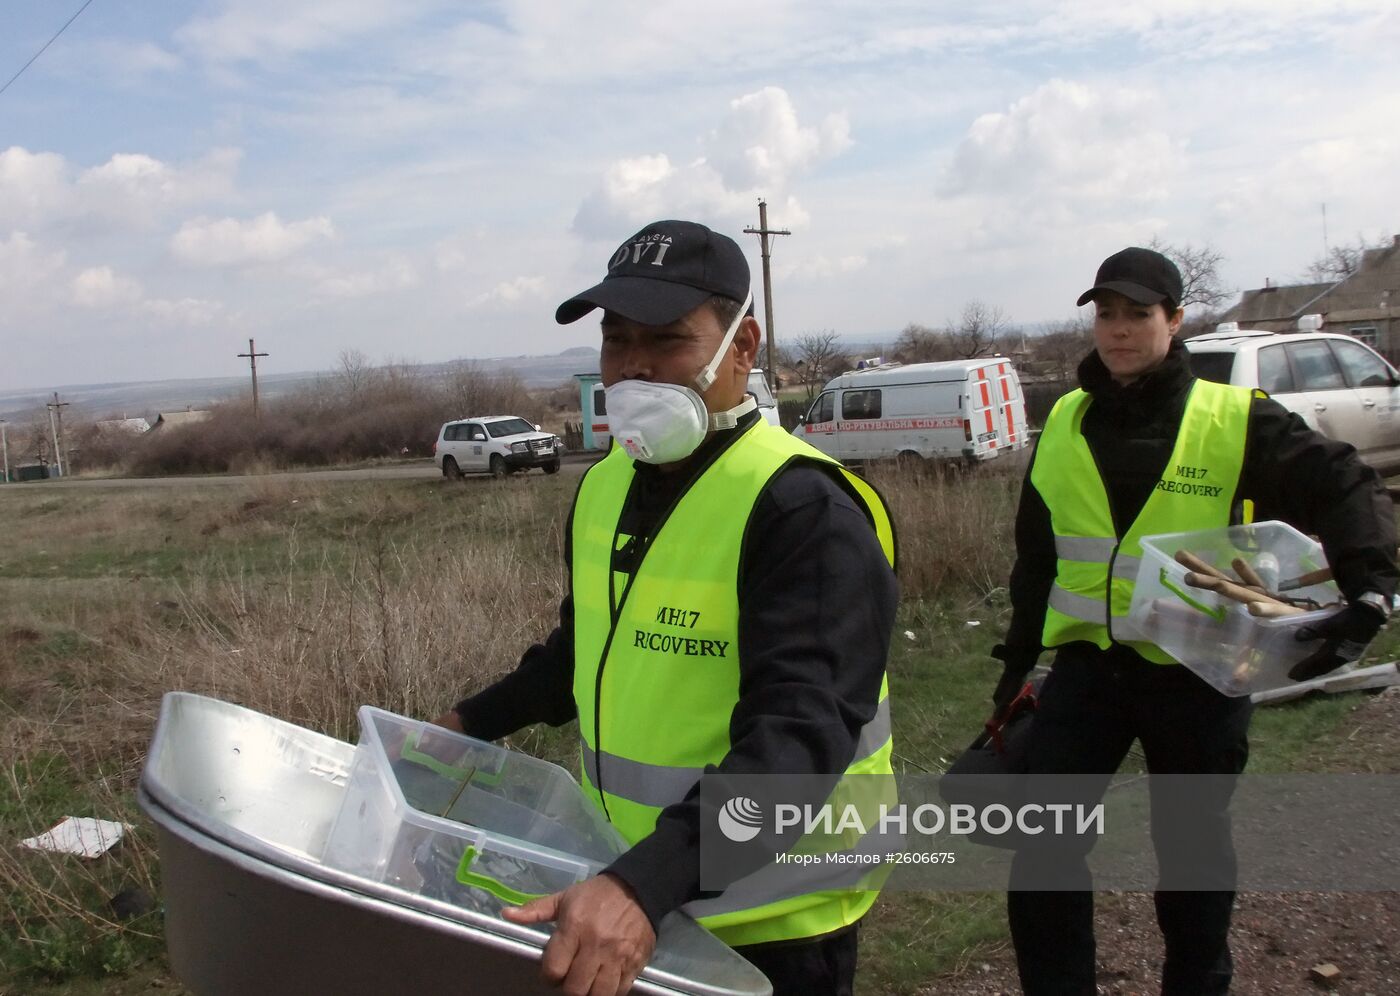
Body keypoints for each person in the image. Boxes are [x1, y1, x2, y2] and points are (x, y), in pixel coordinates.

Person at [434, 219, 898, 996]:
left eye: (667, 341)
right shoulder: (607, 485)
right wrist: (460, 726)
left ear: (741, 347)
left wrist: (643, 885)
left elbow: (799, 737)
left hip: (767, 924)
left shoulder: (804, 509)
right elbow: (586, 648)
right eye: (617, 342)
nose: (634, 367)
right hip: (634, 898)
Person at [991, 246, 1397, 996]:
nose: (1118, 330)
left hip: (1201, 671)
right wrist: (1016, 671)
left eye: (1138, 314)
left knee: (1191, 856)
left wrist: (1371, 591)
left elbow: (1344, 481)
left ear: (1174, 321)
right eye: (1106, 314)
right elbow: (1036, 559)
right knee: (1043, 849)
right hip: (1088, 672)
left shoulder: (1232, 417)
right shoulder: (1066, 422)